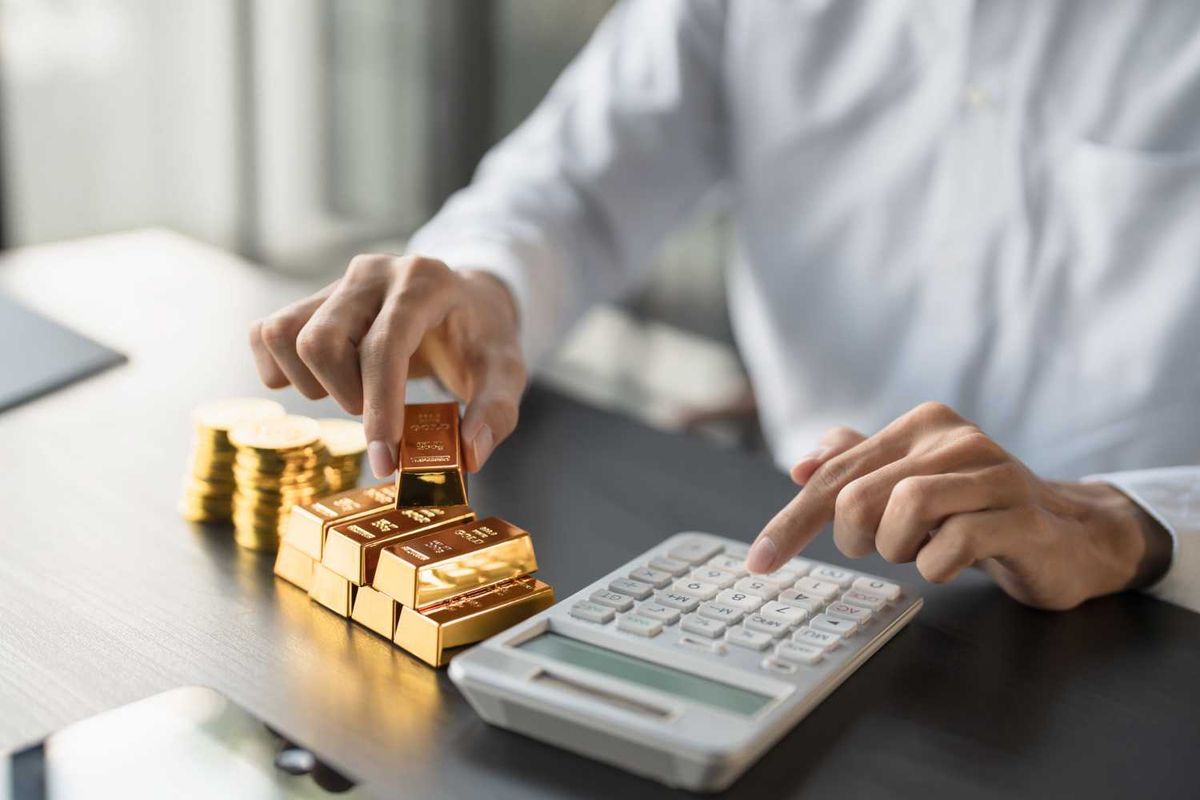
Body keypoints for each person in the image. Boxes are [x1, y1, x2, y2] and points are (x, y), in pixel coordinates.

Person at [249, 1, 1198, 612]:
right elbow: (571, 186)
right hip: (806, 567)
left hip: (1142, 601)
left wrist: (1127, 519)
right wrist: (483, 284)